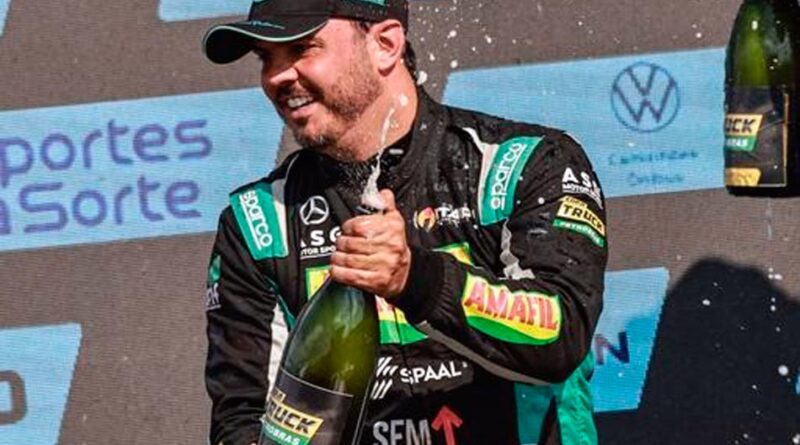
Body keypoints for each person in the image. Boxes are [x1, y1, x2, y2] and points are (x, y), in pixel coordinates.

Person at [202, 0, 608, 444]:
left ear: (385, 45)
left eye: (301, 49)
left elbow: (561, 337)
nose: (276, 77)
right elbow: (243, 420)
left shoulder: (521, 165)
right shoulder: (260, 221)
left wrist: (414, 278)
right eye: (266, 58)